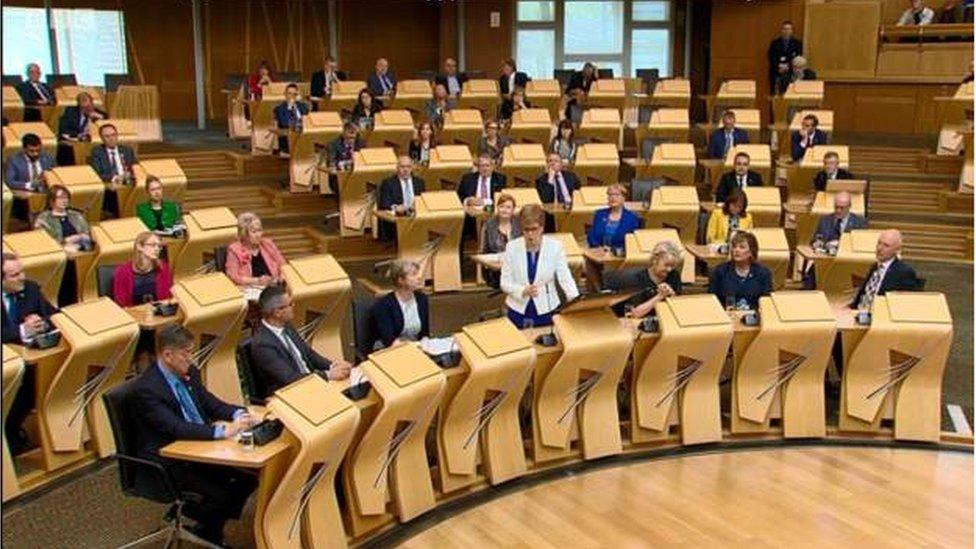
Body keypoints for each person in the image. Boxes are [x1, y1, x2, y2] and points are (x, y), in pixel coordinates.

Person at [130, 325, 257, 546]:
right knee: (224, 493)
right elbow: (176, 428)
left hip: (197, 450)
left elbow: (210, 403)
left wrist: (240, 413)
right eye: (186, 352)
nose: (191, 357)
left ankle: (206, 523)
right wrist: (223, 431)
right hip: (168, 461)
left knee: (248, 477)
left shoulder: (190, 373)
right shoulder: (147, 389)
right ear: (168, 355)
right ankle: (204, 524)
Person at [250, 285, 351, 399]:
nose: (294, 306)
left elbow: (308, 353)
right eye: (290, 304)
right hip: (290, 395)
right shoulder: (262, 345)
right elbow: (290, 379)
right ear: (277, 312)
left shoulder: (286, 326)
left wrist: (332, 365)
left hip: (311, 384)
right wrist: (328, 375)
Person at [2, 252, 58, 455]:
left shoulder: (31, 288)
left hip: (29, 360)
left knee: (38, 385)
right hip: (5, 361)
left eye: (22, 271)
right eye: (14, 275)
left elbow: (55, 316)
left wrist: (41, 323)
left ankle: (11, 430)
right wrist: (22, 330)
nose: (22, 277)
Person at [500, 204, 579, 328]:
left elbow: (565, 278)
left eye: (534, 229)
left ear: (542, 228)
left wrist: (575, 301)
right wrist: (522, 291)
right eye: (526, 230)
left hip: (546, 308)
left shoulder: (555, 247)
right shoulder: (511, 247)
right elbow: (504, 282)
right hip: (518, 308)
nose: (530, 234)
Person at [602, 241, 683, 318]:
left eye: (672, 266)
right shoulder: (637, 278)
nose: (669, 269)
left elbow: (679, 306)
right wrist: (660, 296)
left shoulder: (674, 275)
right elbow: (635, 313)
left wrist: (672, 295)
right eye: (666, 265)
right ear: (655, 261)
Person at [850, 229, 919, 310]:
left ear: (897, 250)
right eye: (879, 243)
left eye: (886, 245)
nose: (879, 248)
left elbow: (904, 306)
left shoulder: (904, 272)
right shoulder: (875, 266)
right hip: (858, 313)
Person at [368, 260, 430, 349]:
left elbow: (424, 334)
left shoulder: (422, 299)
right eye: (413, 274)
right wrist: (414, 347)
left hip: (415, 347)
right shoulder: (383, 305)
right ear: (401, 280)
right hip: (390, 349)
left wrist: (425, 344)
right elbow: (389, 341)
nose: (419, 277)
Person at [708, 231, 773, 311]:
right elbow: (711, 301)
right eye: (734, 247)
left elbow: (767, 303)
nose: (736, 250)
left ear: (751, 252)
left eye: (742, 247)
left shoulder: (763, 274)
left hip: (754, 318)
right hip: (726, 317)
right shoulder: (720, 271)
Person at [112, 232, 173, 307]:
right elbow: (121, 303)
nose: (157, 249)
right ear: (139, 246)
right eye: (153, 245)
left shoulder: (163, 268)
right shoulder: (122, 271)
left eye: (159, 246)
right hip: (134, 315)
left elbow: (168, 297)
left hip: (159, 313)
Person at [225, 212, 286, 288]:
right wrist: (257, 281)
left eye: (259, 230)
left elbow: (283, 264)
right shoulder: (234, 249)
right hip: (251, 290)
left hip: (273, 286)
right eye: (254, 232)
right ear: (244, 234)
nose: (258, 235)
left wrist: (282, 277)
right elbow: (233, 276)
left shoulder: (267, 244)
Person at [90, 123, 137, 218]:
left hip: (128, 185)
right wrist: (116, 178)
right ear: (101, 138)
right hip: (111, 189)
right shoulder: (97, 152)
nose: (111, 138)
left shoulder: (127, 150)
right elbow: (96, 174)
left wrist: (129, 176)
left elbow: (136, 169)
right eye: (107, 136)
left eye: (113, 135)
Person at [458, 155, 507, 243]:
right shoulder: (467, 178)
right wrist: (468, 200)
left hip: (490, 209)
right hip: (470, 212)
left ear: (492, 167)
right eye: (482, 166)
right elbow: (459, 197)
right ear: (478, 167)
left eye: (487, 166)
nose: (484, 169)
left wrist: (483, 202)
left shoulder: (500, 179)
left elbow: (502, 199)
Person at [377, 156, 426, 241]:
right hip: (398, 220)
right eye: (402, 167)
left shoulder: (419, 182)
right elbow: (384, 204)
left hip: (416, 217)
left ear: (412, 168)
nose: (405, 170)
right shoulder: (388, 183)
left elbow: (424, 201)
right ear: (397, 168)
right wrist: (395, 208)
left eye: (408, 167)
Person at [480, 193, 522, 289]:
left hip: (518, 265)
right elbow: (484, 251)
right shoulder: (489, 225)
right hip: (497, 268)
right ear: (497, 208)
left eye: (508, 207)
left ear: (513, 210)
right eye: (501, 206)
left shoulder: (519, 224)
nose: (504, 210)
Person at [34, 185, 91, 253]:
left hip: (81, 248)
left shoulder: (76, 215)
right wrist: (67, 240)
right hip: (58, 251)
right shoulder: (44, 218)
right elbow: (44, 241)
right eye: (60, 198)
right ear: (51, 200)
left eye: (66, 198)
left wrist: (77, 241)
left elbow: (86, 235)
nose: (64, 200)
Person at [56, 91, 107, 165]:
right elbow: (64, 131)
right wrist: (79, 135)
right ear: (79, 105)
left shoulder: (100, 114)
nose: (89, 109)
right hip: (72, 144)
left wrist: (100, 119)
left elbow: (106, 128)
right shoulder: (70, 112)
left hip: (90, 144)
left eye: (90, 105)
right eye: (85, 107)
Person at [586, 184, 642, 250]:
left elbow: (632, 242)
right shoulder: (599, 214)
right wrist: (598, 248)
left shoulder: (632, 218)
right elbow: (592, 235)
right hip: (598, 253)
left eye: (616, 195)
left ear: (624, 198)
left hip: (619, 255)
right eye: (610, 195)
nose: (613, 198)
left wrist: (614, 250)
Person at [272, 83, 310, 156]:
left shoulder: (303, 106)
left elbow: (308, 121)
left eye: (294, 94)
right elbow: (285, 124)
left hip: (303, 139)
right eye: (289, 93)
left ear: (297, 96)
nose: (291, 96)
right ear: (285, 94)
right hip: (288, 142)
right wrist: (291, 108)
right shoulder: (279, 109)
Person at [768, 21, 803, 94]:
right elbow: (771, 57)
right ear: (781, 30)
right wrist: (779, 67)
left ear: (791, 31)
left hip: (791, 73)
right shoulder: (775, 43)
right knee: (776, 95)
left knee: (789, 94)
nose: (786, 31)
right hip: (776, 73)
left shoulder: (797, 44)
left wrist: (788, 67)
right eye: (784, 29)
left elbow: (798, 59)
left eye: (788, 29)